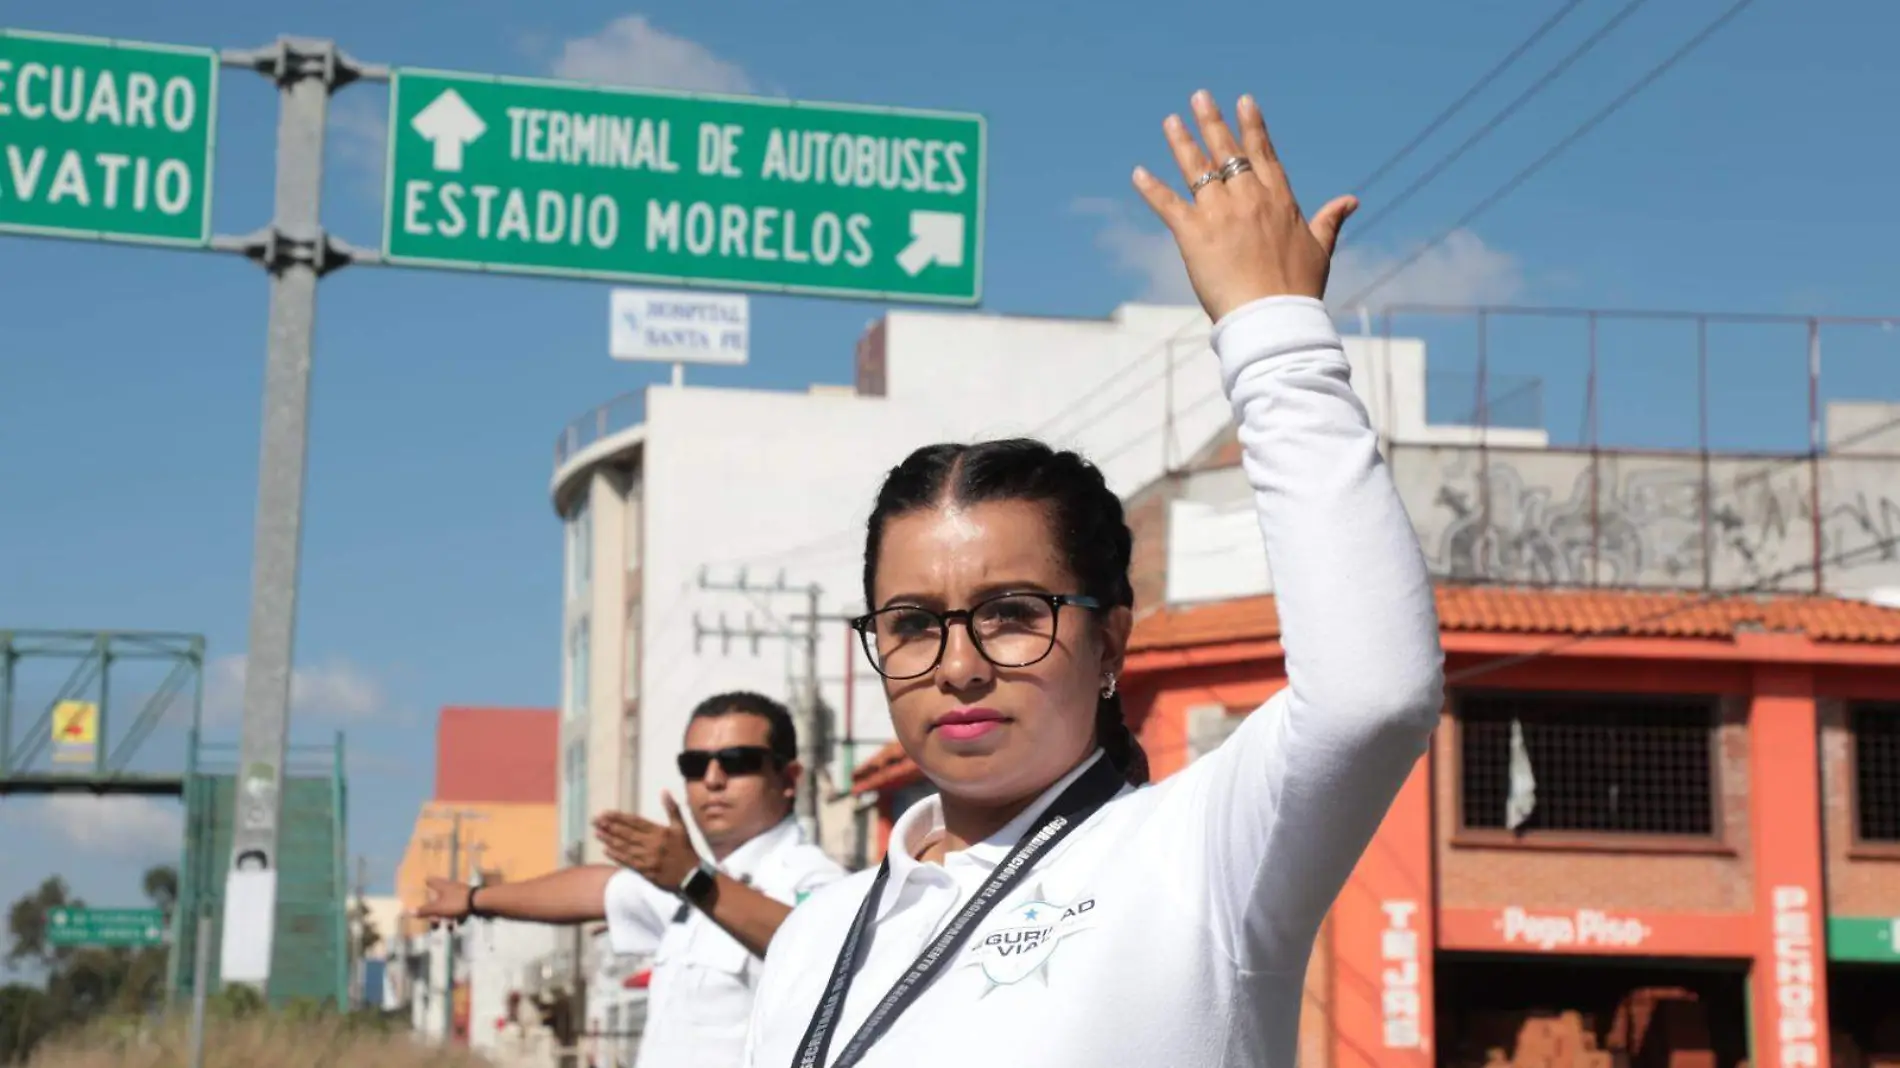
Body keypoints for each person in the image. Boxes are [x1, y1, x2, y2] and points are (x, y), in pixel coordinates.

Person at [738, 91, 1444, 1068]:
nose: (960, 666)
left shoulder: (1197, 856)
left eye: (1012, 614)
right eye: (911, 623)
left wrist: (1270, 330)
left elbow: (1373, 695)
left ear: (1109, 643)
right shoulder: (814, 944)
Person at [417, 691, 846, 1068]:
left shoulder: (820, 882)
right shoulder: (695, 883)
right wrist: (476, 898)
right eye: (695, 765)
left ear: (789, 779)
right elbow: (597, 889)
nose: (712, 780)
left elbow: (815, 951)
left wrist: (694, 880)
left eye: (738, 762)